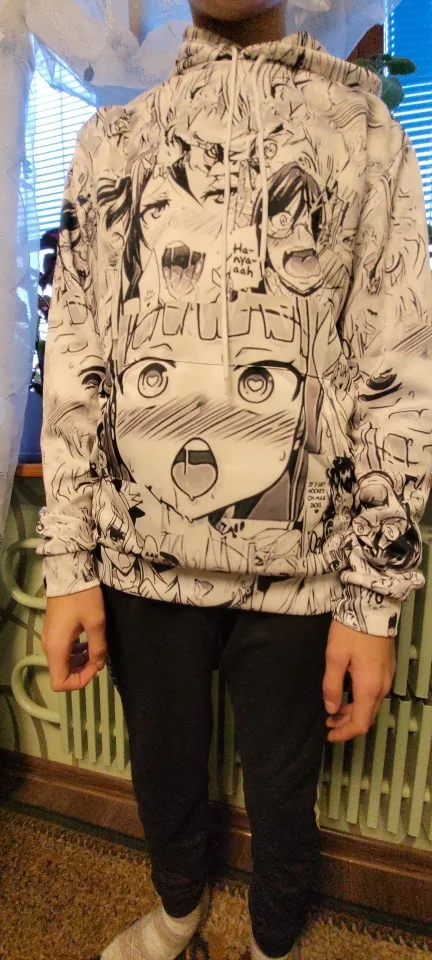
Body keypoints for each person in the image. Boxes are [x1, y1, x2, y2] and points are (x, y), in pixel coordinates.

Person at [38, 1, 432, 958]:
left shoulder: (364, 133)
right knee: (162, 768)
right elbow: (78, 360)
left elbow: (396, 366)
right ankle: (179, 910)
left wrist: (374, 602)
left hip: (300, 576)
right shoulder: (112, 142)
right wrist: (68, 566)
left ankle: (274, 940)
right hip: (138, 564)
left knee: (286, 788)